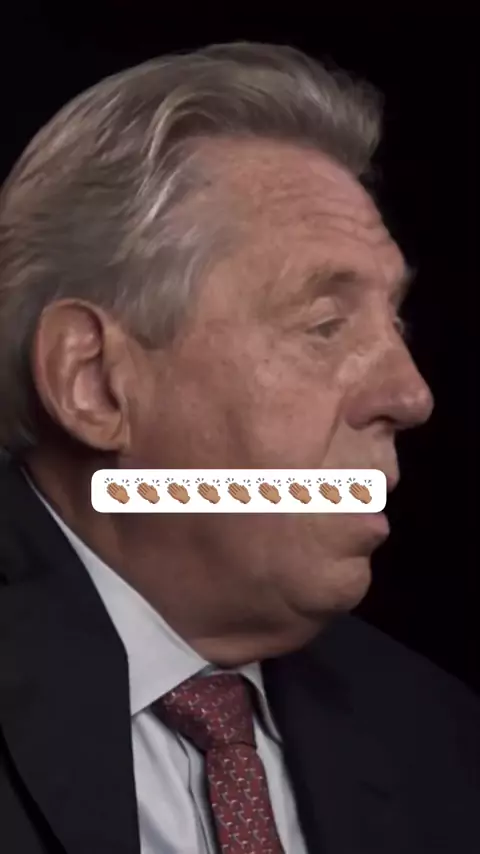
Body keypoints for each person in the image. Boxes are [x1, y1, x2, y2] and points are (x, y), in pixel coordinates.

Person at [0, 42, 479, 854]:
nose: (411, 395)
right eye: (325, 326)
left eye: (395, 323)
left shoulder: (444, 742)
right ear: (96, 382)